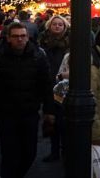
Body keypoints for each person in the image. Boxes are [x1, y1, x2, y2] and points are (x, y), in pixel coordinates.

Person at [0, 22, 51, 178]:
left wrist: (48, 110)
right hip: (7, 113)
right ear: (8, 38)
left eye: (23, 36)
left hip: (29, 112)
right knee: (9, 154)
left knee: (29, 153)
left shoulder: (38, 55)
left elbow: (46, 84)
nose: (20, 39)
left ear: (28, 37)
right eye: (16, 36)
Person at [39, 15, 69, 162]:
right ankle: (54, 150)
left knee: (64, 120)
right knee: (51, 118)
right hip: (48, 83)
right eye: (54, 24)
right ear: (49, 26)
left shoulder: (69, 44)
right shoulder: (43, 43)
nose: (57, 27)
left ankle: (65, 150)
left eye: (60, 25)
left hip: (64, 85)